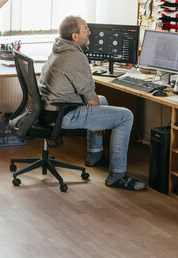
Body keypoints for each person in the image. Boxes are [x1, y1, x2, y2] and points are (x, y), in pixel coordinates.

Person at [38, 15, 146, 191]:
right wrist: (97, 120)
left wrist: (97, 117)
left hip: (51, 110)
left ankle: (94, 155)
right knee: (126, 116)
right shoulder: (75, 57)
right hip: (65, 114)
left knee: (103, 100)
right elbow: (91, 100)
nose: (89, 32)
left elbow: (95, 101)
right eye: (86, 29)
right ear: (75, 37)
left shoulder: (59, 49)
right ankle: (117, 176)